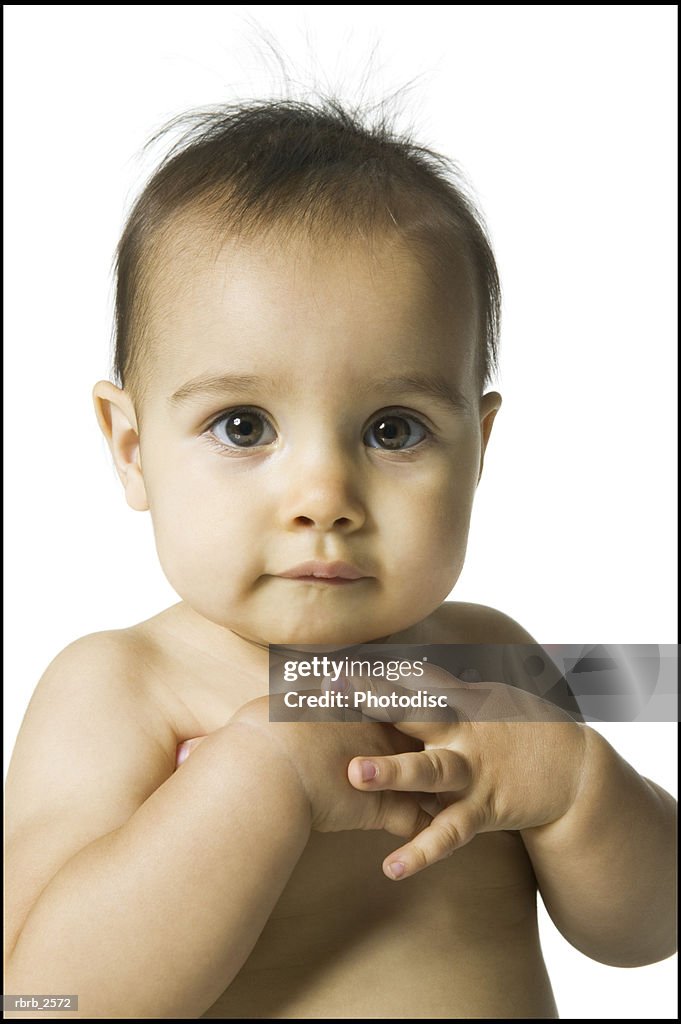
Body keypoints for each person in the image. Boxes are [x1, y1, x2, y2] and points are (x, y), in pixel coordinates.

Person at [4, 98, 676, 1020]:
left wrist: (576, 784)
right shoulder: (119, 689)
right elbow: (46, 1001)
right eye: (243, 426)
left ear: (476, 451)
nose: (323, 497)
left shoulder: (486, 664)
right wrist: (260, 776)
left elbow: (646, 936)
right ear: (132, 448)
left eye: (393, 430)